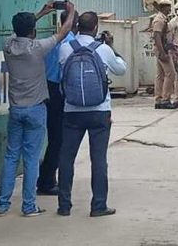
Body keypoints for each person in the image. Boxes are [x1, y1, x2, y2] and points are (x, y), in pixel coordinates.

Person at [0, 1, 76, 217]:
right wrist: (71, 11)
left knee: (11, 156)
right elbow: (64, 30)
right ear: (33, 31)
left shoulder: (8, 46)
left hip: (16, 109)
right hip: (36, 109)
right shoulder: (37, 48)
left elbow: (19, 31)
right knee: (31, 159)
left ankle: (2, 204)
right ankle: (29, 206)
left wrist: (39, 13)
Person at [57, 12, 126, 217]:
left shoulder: (65, 48)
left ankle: (64, 206)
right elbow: (121, 69)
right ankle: (98, 206)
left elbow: (63, 75)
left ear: (77, 26)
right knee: (98, 159)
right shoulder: (103, 49)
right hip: (99, 112)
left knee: (67, 158)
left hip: (71, 111)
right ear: (95, 27)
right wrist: (111, 46)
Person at [37, 9, 78, 195]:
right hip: (59, 91)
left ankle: (46, 177)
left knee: (53, 136)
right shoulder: (70, 43)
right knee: (58, 139)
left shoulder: (52, 40)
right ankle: (47, 180)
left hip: (47, 88)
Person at [152, 0, 178, 110]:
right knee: (171, 74)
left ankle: (159, 98)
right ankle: (165, 99)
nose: (169, 9)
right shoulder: (159, 20)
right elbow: (157, 36)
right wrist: (162, 52)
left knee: (161, 75)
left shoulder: (164, 18)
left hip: (164, 48)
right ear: (163, 7)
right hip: (162, 49)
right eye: (168, 7)